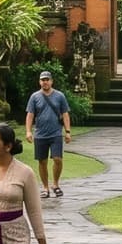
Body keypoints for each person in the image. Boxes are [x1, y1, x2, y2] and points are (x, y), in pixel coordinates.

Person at [25, 69, 74, 197]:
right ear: (39, 82)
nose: (45, 82)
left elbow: (65, 114)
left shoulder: (60, 96)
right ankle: (45, 187)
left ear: (51, 81)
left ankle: (56, 184)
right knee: (42, 161)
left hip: (56, 133)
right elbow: (30, 115)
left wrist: (67, 131)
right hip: (40, 134)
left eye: (47, 80)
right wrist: (28, 131)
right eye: (43, 80)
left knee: (57, 159)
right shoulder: (34, 97)